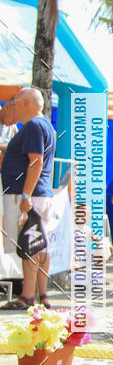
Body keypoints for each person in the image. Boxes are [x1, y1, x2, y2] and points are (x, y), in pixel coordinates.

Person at [0, 87, 56, 310]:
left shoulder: (33, 125)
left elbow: (35, 161)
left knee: (29, 245)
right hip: (40, 193)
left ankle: (27, 296)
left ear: (24, 103)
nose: (12, 107)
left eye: (14, 103)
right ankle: (42, 295)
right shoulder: (43, 125)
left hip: (29, 193)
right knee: (40, 245)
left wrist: (26, 194)